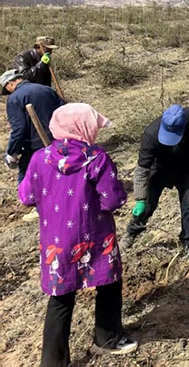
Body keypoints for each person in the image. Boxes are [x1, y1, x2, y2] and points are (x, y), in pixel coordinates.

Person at [18, 103, 138, 364]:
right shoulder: (97, 158)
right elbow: (111, 200)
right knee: (108, 283)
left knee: (60, 299)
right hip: (96, 237)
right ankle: (106, 339)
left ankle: (52, 361)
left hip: (57, 241)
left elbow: (25, 196)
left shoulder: (40, 157)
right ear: (85, 128)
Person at [122, 105, 189, 259]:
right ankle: (131, 233)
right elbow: (142, 170)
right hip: (158, 168)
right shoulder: (151, 134)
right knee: (149, 205)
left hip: (185, 165)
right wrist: (139, 199)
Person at [3, 69, 64, 222]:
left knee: (26, 173)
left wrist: (12, 152)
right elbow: (63, 110)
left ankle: (37, 206)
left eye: (6, 88)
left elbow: (19, 129)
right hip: (59, 138)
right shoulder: (46, 89)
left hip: (36, 144)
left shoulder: (15, 98)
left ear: (11, 83)